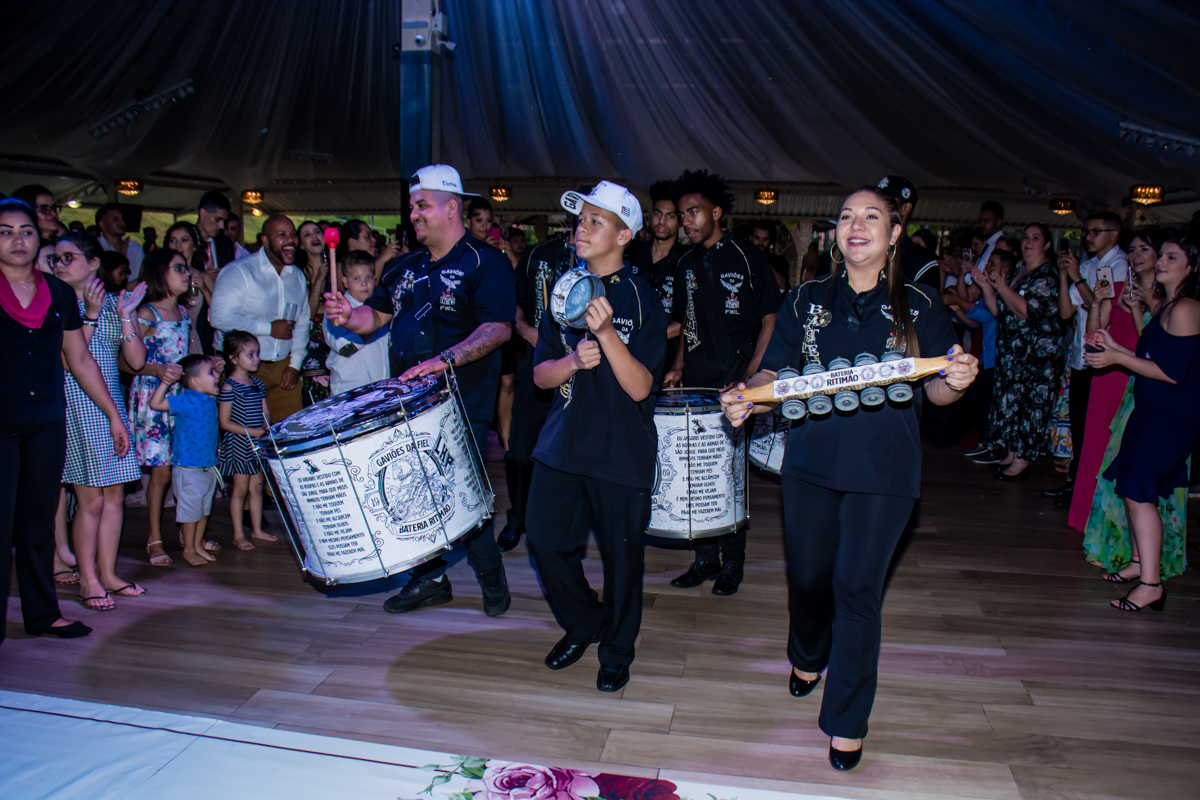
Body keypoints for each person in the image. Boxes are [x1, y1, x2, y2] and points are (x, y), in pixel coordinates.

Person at [719, 186, 976, 770]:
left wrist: (956, 380)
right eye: (846, 216)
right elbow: (772, 372)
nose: (856, 225)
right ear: (836, 232)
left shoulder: (923, 304)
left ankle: (846, 721)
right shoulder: (804, 299)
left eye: (872, 217)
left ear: (892, 236)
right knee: (810, 580)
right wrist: (746, 399)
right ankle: (808, 651)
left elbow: (935, 388)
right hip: (810, 463)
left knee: (857, 591)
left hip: (885, 473)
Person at [324, 164, 514, 617]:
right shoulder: (403, 267)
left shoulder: (485, 262)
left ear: (452, 207)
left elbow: (498, 328)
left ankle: (490, 576)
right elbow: (373, 318)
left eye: (422, 205)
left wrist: (442, 361)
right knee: (414, 488)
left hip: (461, 397)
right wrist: (347, 317)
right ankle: (429, 579)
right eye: (412, 206)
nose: (413, 214)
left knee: (458, 487)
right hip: (406, 400)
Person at [526, 181, 666, 693]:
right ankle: (585, 622)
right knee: (543, 540)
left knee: (623, 558)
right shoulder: (562, 290)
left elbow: (641, 387)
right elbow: (539, 376)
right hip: (562, 442)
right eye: (580, 220)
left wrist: (606, 336)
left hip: (620, 449)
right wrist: (569, 361)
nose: (580, 229)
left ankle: (616, 651)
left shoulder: (644, 298)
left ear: (624, 234)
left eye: (594, 221)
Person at [1, 198, 129, 644]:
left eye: (26, 231)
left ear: (39, 239)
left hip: (48, 420)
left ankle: (42, 614)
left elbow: (80, 359)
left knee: (37, 524)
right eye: (5, 231)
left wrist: (113, 414)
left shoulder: (56, 294)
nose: (17, 239)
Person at [665, 169, 783, 596]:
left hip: (737, 383)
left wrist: (752, 376)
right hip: (696, 383)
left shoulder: (750, 258)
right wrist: (677, 365)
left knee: (731, 473)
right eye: (681, 215)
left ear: (716, 212)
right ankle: (703, 560)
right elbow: (686, 322)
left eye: (693, 212)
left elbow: (771, 319)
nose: (687, 221)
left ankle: (733, 563)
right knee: (700, 472)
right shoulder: (685, 263)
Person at [1086, 235, 1200, 612]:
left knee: (1139, 491)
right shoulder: (1169, 304)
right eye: (1162, 255)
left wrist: (1116, 361)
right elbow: (1149, 352)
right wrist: (1113, 348)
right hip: (1151, 410)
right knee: (1133, 486)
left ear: (1192, 266)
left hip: (1171, 415)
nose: (1162, 262)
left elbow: (1172, 373)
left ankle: (1152, 584)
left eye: (1172, 257)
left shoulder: (1186, 308)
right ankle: (1139, 562)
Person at [52, 233, 148, 611]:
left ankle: (108, 573)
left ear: (94, 264)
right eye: (56, 258)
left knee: (114, 497)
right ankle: (88, 579)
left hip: (111, 407)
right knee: (89, 500)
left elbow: (137, 361)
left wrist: (125, 314)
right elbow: (68, 361)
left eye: (68, 257)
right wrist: (89, 314)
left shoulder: (112, 303)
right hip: (76, 404)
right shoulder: (57, 304)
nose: (59, 264)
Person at [499, 211, 582, 553]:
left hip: (582, 373)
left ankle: (562, 527)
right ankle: (516, 518)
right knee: (519, 453)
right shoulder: (537, 255)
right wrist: (529, 332)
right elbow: (514, 308)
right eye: (579, 219)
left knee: (572, 457)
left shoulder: (601, 263)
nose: (584, 225)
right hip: (537, 367)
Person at [1045, 212, 1127, 504]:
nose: (1088, 237)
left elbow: (1104, 308)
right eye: (1086, 232)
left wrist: (1077, 276)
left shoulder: (1119, 265)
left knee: (1097, 431)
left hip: (1104, 360)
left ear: (1114, 234)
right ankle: (1075, 485)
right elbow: (1066, 312)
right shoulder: (1088, 265)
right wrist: (1067, 274)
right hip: (1081, 357)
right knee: (1080, 427)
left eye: (1095, 232)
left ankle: (1091, 492)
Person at [970, 225, 1063, 478]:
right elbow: (998, 311)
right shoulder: (1020, 271)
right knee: (1011, 403)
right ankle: (1011, 453)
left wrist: (1000, 287)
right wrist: (987, 286)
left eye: (1036, 238)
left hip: (1035, 355)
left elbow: (1026, 311)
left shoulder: (1046, 275)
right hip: (1012, 353)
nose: (1028, 242)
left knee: (1030, 405)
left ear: (1046, 245)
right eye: (1025, 237)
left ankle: (1022, 460)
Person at [1067, 224, 1142, 529]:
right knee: (1094, 447)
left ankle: (1115, 527)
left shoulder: (1163, 300)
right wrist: (1097, 302)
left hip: (1135, 375)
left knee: (1122, 451)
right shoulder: (1120, 286)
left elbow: (1151, 342)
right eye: (1134, 249)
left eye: (1144, 250)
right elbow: (1092, 335)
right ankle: (1087, 519)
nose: (1135, 256)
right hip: (1107, 372)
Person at [125, 248, 192, 566]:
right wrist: (155, 370)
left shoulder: (183, 313)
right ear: (158, 273)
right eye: (179, 267)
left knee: (186, 467)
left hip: (182, 398)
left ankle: (187, 532)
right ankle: (154, 537)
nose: (187, 273)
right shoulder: (146, 314)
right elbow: (124, 363)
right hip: (153, 399)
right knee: (161, 473)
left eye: (187, 268)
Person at [210, 214, 309, 422]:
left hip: (283, 366)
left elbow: (301, 324)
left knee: (291, 434)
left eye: (293, 234)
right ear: (265, 240)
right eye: (282, 235)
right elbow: (218, 318)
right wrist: (268, 328)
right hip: (243, 368)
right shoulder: (240, 271)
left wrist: (294, 365)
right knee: (247, 439)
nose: (290, 240)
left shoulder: (297, 276)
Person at [149, 355, 223, 567]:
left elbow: (214, 383)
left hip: (208, 465)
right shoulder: (186, 399)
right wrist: (165, 382)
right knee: (191, 513)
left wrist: (215, 372)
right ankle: (189, 549)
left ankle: (197, 544)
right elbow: (155, 403)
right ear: (195, 382)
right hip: (189, 468)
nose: (217, 375)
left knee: (203, 510)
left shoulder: (209, 399)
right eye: (211, 373)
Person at [217, 330, 274, 550]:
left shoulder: (257, 384)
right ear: (233, 358)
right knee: (240, 489)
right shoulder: (229, 387)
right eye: (250, 354)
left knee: (257, 485)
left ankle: (257, 529)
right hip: (239, 444)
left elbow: (265, 412)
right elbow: (224, 422)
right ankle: (238, 534)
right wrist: (254, 432)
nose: (256, 359)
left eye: (257, 354)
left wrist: (266, 426)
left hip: (256, 444)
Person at [323, 250, 390, 394]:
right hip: (350, 392)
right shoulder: (336, 310)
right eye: (357, 279)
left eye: (368, 277)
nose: (364, 284)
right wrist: (371, 323)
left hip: (380, 389)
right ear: (345, 281)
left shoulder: (378, 308)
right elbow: (346, 348)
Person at [874, 176, 941, 290]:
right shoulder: (863, 251)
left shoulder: (922, 262)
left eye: (887, 201)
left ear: (906, 208)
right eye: (876, 199)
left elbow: (926, 305)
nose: (877, 205)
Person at [193, 191, 237, 355]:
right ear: (202, 213)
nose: (221, 226)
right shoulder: (186, 237)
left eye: (223, 221)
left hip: (220, 311)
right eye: (217, 219)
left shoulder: (224, 242)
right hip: (195, 310)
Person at [164, 221, 210, 355]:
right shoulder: (161, 276)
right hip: (166, 342)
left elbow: (219, 313)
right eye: (173, 240)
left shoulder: (203, 277)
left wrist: (205, 290)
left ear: (194, 246)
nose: (178, 245)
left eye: (184, 240)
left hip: (193, 341)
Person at [96, 204, 145, 281]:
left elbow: (143, 277)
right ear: (102, 225)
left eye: (123, 220)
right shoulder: (96, 248)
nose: (122, 224)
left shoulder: (135, 248)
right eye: (116, 220)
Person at [750, 220, 791, 292]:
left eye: (765, 239)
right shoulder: (744, 259)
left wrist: (765, 261)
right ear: (751, 238)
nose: (761, 243)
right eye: (757, 238)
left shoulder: (779, 261)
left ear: (770, 240)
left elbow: (782, 285)